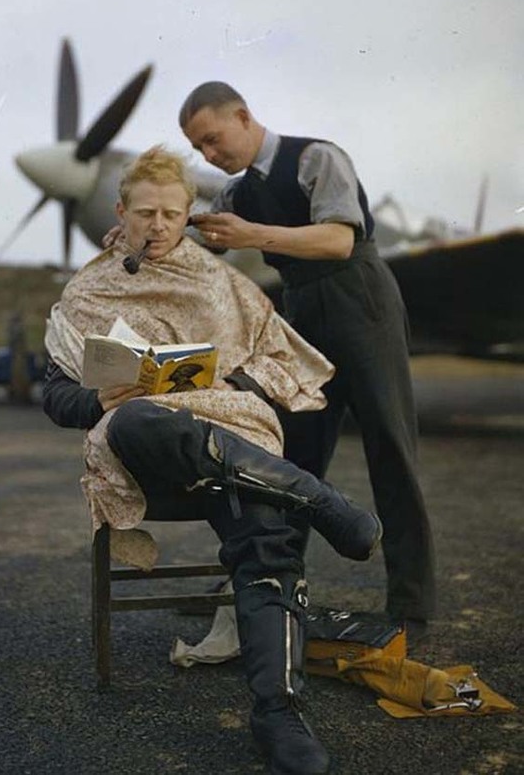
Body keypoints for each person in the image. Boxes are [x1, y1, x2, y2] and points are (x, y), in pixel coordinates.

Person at [43, 146, 382, 775]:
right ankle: (316, 497)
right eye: (145, 212)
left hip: (232, 441)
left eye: (173, 213)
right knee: (143, 417)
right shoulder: (87, 290)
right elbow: (55, 395)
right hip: (143, 452)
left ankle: (278, 713)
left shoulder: (223, 282)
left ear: (188, 213)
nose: (159, 225)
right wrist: (98, 397)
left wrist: (228, 386)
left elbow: (280, 365)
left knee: (266, 531)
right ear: (121, 211)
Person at [178, 83, 436, 637]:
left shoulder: (317, 157)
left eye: (213, 140)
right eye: (198, 149)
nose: (209, 157)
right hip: (299, 313)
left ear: (243, 117)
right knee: (289, 462)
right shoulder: (237, 192)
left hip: (359, 300)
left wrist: (253, 235)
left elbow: (339, 240)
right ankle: (263, 586)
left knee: (389, 447)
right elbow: (204, 238)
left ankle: (411, 605)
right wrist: (141, 232)